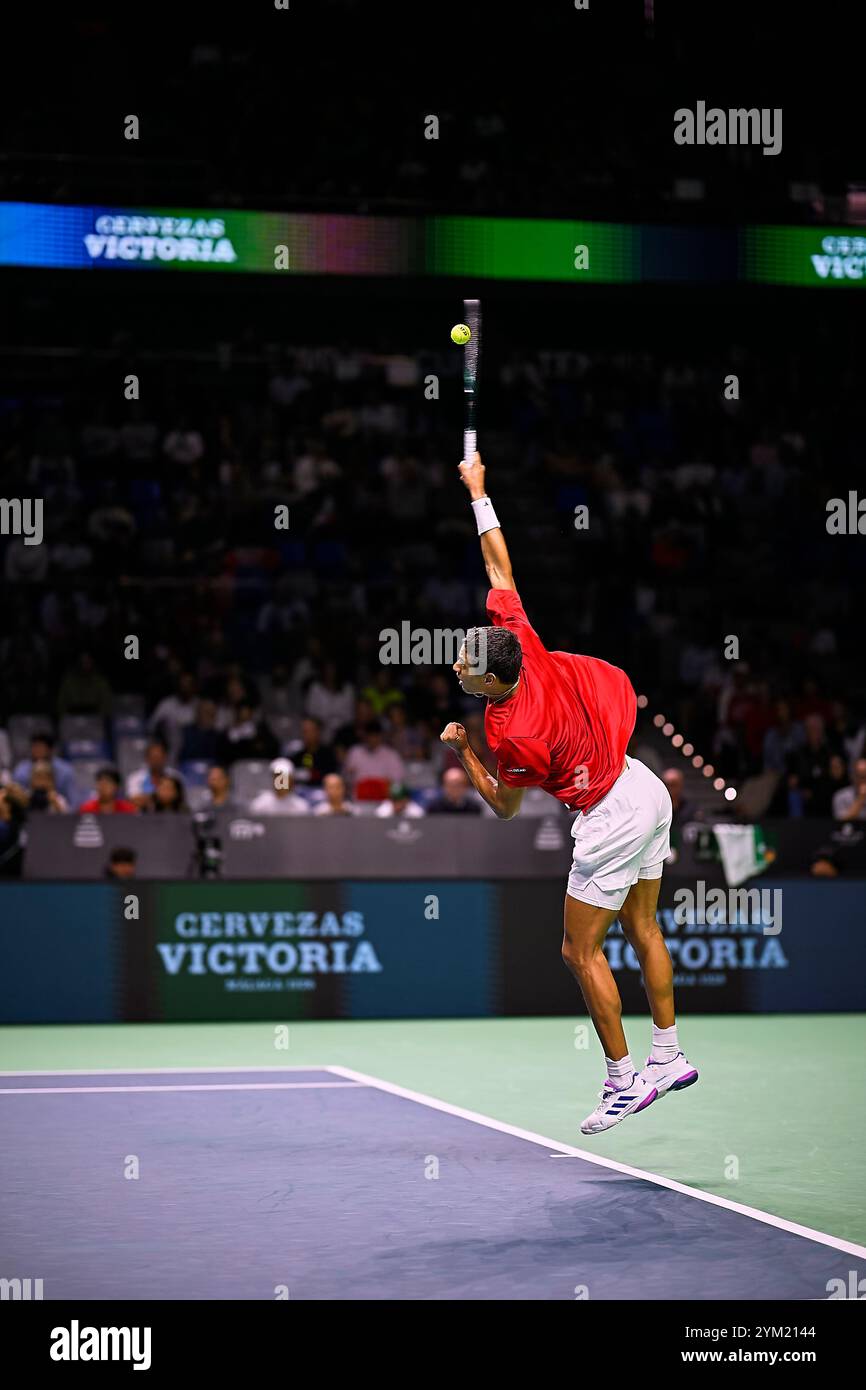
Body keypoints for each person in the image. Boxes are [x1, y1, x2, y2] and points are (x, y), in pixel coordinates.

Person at [440, 452, 696, 1136]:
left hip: (610, 815)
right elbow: (499, 564)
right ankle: (668, 1054)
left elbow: (506, 803)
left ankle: (624, 1079)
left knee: (578, 952)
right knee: (644, 927)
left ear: (493, 682)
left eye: (466, 661)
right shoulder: (517, 638)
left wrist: (465, 751)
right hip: (641, 784)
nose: (457, 662)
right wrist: (481, 492)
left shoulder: (511, 733)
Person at [13, 732, 77, 807]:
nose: (37, 751)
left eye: (41, 747)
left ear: (50, 750)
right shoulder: (21, 770)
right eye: (35, 747)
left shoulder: (65, 771)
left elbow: (72, 802)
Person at [832, 758, 866, 823]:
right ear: (853, 777)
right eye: (861, 776)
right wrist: (860, 799)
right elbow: (840, 821)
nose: (863, 780)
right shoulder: (840, 796)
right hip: (848, 832)